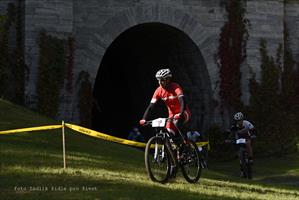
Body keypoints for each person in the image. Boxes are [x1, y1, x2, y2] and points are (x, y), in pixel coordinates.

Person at [139, 68, 191, 143]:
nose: (160, 82)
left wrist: (180, 113)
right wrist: (144, 119)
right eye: (158, 80)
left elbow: (182, 100)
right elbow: (151, 106)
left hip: (183, 112)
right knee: (169, 135)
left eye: (162, 80)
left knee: (177, 122)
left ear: (168, 79)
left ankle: (185, 141)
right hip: (171, 115)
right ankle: (174, 150)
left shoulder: (175, 87)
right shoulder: (158, 90)